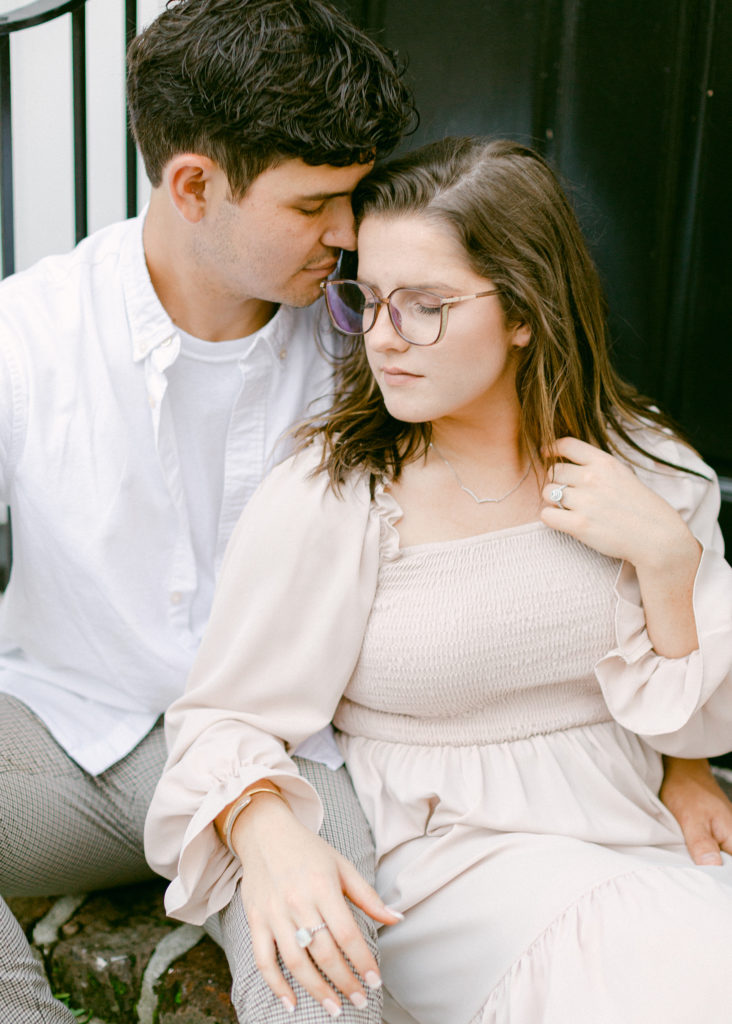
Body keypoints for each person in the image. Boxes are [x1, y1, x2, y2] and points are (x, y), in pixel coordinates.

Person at [146, 137, 732, 1024]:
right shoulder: (335, 496)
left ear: (526, 310)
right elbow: (222, 719)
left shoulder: (648, 469)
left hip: (637, 837)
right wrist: (264, 832)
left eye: (424, 307)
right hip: (449, 870)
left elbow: (691, 719)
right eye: (369, 300)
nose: (384, 339)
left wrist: (667, 560)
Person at [0, 2, 415, 1022]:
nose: (349, 234)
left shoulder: (373, 342)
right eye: (315, 203)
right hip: (64, 743)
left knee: (327, 980)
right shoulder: (28, 337)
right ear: (193, 186)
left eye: (354, 197)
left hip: (287, 756)